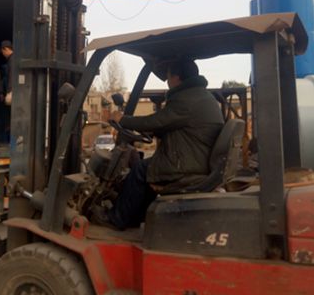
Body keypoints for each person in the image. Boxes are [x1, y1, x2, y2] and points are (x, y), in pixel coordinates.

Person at [91, 58, 224, 230]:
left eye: (168, 76)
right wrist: (154, 131)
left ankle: (116, 218)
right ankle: (135, 218)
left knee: (139, 170)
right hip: (197, 159)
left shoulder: (186, 99)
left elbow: (155, 121)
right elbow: (171, 126)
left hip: (187, 165)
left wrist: (122, 119)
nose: (167, 81)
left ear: (176, 77)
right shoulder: (202, 96)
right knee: (146, 170)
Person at [0, 40, 14, 143]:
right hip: (12, 90)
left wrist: (9, 92)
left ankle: (11, 140)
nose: (3, 54)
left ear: (6, 49)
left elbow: (11, 76)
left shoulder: (12, 60)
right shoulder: (10, 60)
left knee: (10, 115)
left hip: (12, 91)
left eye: (3, 52)